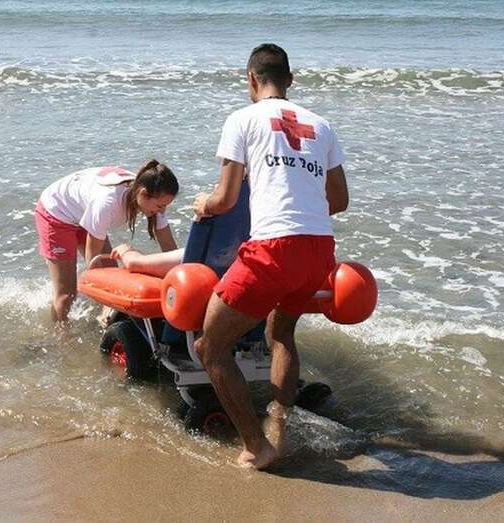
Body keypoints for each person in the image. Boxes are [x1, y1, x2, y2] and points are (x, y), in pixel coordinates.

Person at [191, 44, 349, 470]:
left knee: (211, 346)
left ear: (251, 80)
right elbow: (339, 200)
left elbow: (225, 199)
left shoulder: (242, 119)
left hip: (273, 250)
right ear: (290, 81)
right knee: (281, 333)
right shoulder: (321, 125)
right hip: (319, 250)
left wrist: (204, 203)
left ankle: (257, 447)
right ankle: (279, 426)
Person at [35, 160, 179, 321]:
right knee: (66, 294)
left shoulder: (151, 197)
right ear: (143, 193)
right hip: (57, 211)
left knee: (112, 276)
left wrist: (178, 280)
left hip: (84, 211)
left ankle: (106, 320)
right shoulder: (108, 203)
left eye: (166, 205)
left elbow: (170, 248)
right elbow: (93, 261)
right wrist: (95, 287)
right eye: (160, 206)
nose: (162, 210)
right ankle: (62, 339)